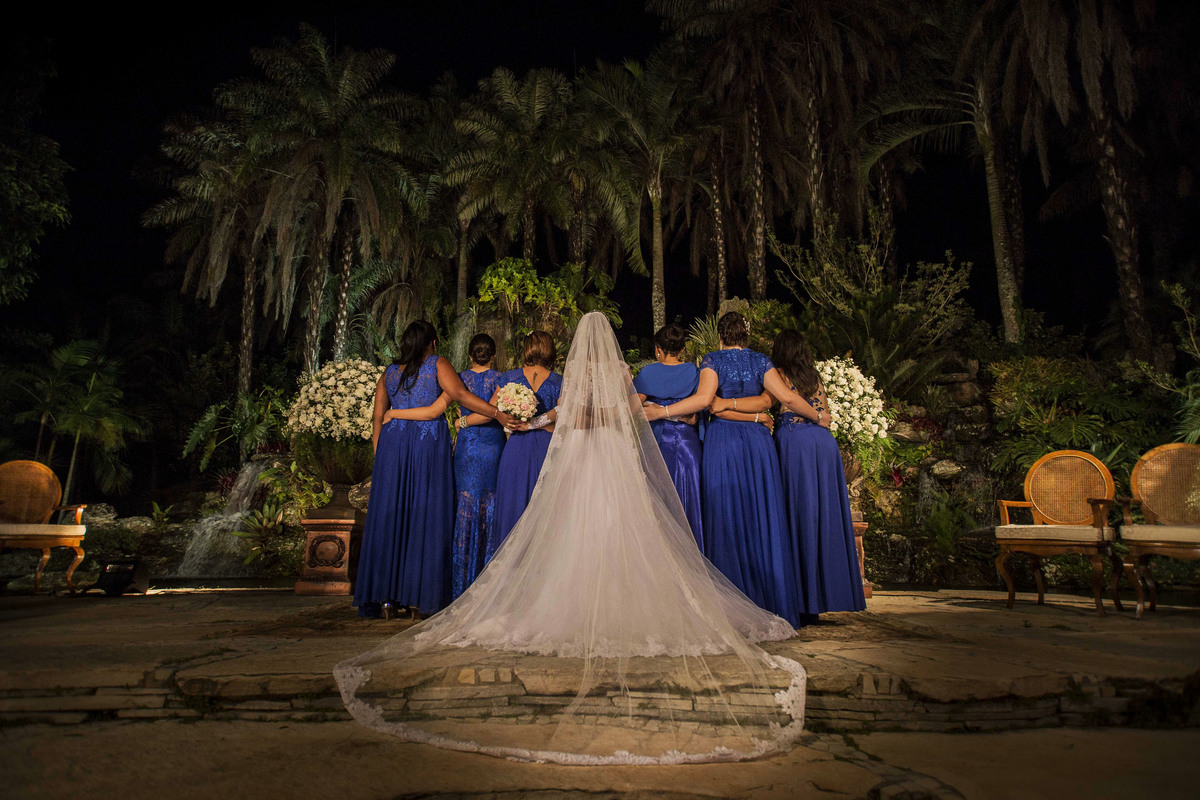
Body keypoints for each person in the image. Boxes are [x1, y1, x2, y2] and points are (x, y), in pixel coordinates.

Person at [335, 312, 807, 765]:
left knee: (570, 526)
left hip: (581, 454)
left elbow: (569, 415)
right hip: (613, 456)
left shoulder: (575, 371)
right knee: (623, 527)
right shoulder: (624, 371)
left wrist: (538, 421)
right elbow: (627, 414)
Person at [643, 311, 829, 626]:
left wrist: (663, 411)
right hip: (757, 446)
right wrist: (817, 415)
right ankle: (771, 602)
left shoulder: (712, 362)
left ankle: (729, 608)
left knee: (725, 515)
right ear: (746, 335)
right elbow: (780, 399)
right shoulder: (761, 362)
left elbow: (704, 401)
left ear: (720, 336)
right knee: (761, 514)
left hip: (723, 444)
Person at [354, 321, 518, 620]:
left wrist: (381, 456)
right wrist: (496, 413)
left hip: (392, 447)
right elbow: (460, 395)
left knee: (391, 517)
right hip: (425, 446)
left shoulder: (388, 373)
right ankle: (418, 596)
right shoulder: (437, 363)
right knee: (424, 516)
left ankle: (385, 599)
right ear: (431, 343)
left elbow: (378, 416)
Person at [772, 329, 866, 618]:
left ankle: (801, 601)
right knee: (823, 517)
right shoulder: (813, 377)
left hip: (795, 442)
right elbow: (825, 413)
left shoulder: (778, 374)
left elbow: (780, 403)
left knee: (798, 515)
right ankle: (824, 596)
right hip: (823, 446)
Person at [486, 330, 562, 555]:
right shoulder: (559, 380)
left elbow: (493, 409)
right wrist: (539, 423)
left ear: (526, 348)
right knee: (545, 508)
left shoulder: (508, 377)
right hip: (548, 447)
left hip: (517, 447)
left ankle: (511, 565)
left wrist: (510, 423)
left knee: (513, 506)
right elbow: (563, 410)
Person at [632, 324, 705, 549]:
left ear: (657, 349)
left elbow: (632, 408)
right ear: (682, 349)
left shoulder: (649, 373)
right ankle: (693, 552)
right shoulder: (694, 372)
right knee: (689, 496)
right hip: (688, 443)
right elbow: (696, 414)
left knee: (659, 498)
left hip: (658, 442)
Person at [450, 334, 506, 597]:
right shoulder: (501, 379)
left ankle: (462, 584)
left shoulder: (458, 379)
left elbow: (486, 413)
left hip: (467, 447)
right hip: (493, 447)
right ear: (493, 356)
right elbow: (493, 410)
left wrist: (461, 423)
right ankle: (489, 587)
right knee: (491, 505)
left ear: (470, 355)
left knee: (466, 505)